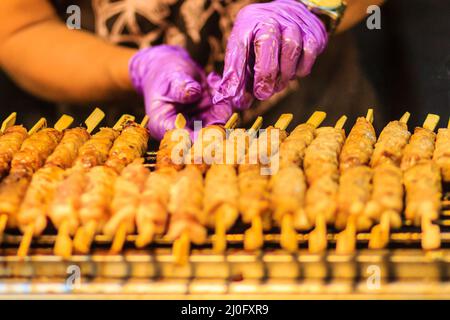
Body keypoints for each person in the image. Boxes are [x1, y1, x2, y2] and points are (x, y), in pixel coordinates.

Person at [0, 0, 383, 138]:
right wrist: (132, 69)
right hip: (109, 157)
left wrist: (316, 7)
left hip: (317, 132)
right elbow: (19, 28)